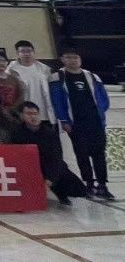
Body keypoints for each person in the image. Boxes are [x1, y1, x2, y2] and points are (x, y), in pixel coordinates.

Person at [50, 48, 114, 200]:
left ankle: (102, 185)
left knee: (99, 154)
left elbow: (103, 98)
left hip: (95, 122)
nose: (72, 60)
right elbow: (57, 101)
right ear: (62, 59)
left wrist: (100, 114)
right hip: (75, 124)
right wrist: (64, 120)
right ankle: (89, 184)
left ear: (80, 59)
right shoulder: (57, 78)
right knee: (82, 154)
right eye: (68, 57)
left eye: (75, 57)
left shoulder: (91, 76)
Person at [11, 101, 88, 207]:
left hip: (50, 166)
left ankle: (61, 193)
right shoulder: (17, 133)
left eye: (35, 113)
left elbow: (57, 156)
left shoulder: (49, 133)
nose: (33, 117)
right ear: (21, 116)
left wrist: (50, 178)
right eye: (28, 114)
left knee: (77, 187)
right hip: (30, 168)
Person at [7, 40, 55, 123]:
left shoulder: (44, 69)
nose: (26, 54)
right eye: (22, 51)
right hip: (22, 112)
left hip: (43, 113)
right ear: (18, 53)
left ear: (33, 52)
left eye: (29, 51)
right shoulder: (11, 70)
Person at [0, 51, 25, 127]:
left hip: (13, 116)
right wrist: (1, 110)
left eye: (4, 61)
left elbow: (20, 96)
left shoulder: (14, 79)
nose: (2, 63)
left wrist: (12, 109)